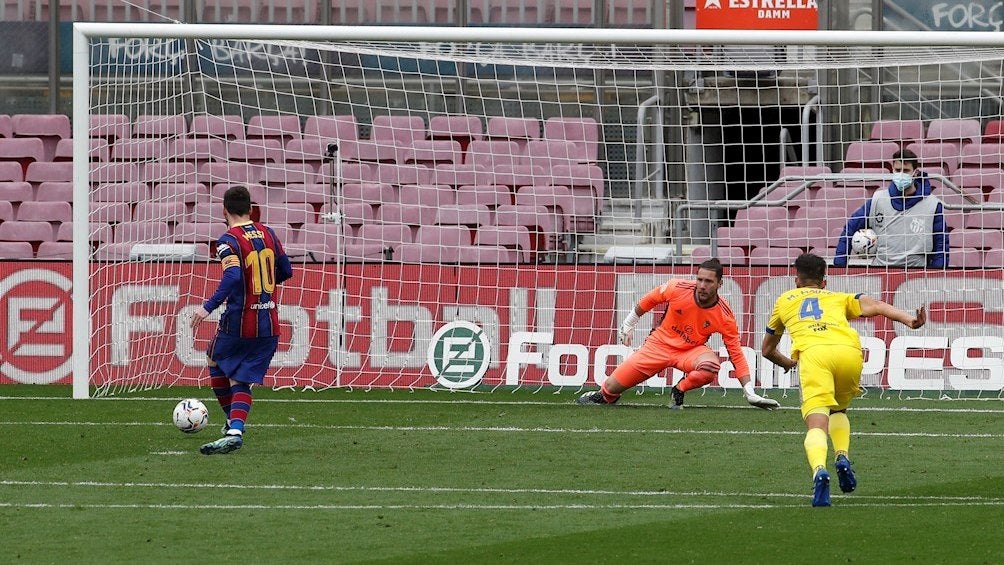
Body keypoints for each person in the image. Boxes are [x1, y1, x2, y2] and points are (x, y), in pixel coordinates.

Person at [760, 253, 925, 507]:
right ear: (824, 282)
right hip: (849, 352)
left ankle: (819, 471)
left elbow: (768, 349)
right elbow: (878, 305)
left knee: (816, 423)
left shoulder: (785, 300)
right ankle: (842, 456)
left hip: (815, 355)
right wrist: (910, 321)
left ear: (796, 281)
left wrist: (789, 363)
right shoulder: (838, 298)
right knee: (839, 408)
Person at [576, 258, 779, 411]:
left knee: (710, 367)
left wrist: (749, 392)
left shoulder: (725, 315)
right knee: (610, 388)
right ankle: (605, 396)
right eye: (699, 279)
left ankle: (679, 389)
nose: (702, 285)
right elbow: (649, 300)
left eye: (708, 281)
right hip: (658, 346)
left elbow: (736, 354)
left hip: (690, 350)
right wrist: (629, 324)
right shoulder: (677, 288)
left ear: (720, 284)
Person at [190, 185, 293, 455]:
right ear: (251, 209)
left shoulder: (227, 241)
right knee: (240, 380)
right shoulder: (269, 233)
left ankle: (231, 422)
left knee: (214, 358)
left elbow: (233, 276)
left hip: (239, 320)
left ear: (224, 211)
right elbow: (286, 270)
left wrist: (207, 307)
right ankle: (234, 428)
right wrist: (263, 288)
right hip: (269, 321)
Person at [833, 148, 948, 268]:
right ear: (892, 170)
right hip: (881, 271)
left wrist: (938, 276)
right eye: (898, 170)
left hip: (917, 274)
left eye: (906, 170)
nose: (901, 174)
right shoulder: (878, 200)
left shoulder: (932, 205)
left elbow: (941, 245)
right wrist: (840, 265)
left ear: (916, 172)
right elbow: (850, 227)